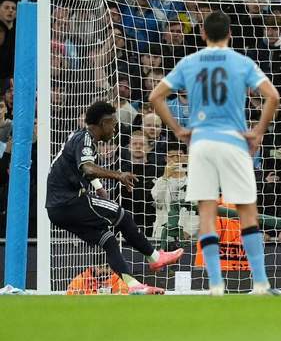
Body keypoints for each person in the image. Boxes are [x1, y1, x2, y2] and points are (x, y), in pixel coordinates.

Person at [149, 11, 281, 296]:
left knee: (207, 213)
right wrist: (258, 131)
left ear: (202, 35)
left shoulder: (190, 62)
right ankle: (260, 284)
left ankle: (215, 284)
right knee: (247, 212)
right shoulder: (242, 62)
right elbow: (273, 96)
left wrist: (178, 129)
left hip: (201, 144)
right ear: (230, 34)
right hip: (233, 141)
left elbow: (155, 96)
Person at [46, 101, 184, 295]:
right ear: (103, 123)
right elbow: (87, 168)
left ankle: (133, 286)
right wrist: (119, 175)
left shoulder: (80, 137)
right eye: (113, 123)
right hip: (69, 201)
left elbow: (80, 168)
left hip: (56, 209)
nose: (115, 128)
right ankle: (154, 257)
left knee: (108, 240)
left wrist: (99, 188)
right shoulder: (85, 138)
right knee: (122, 216)